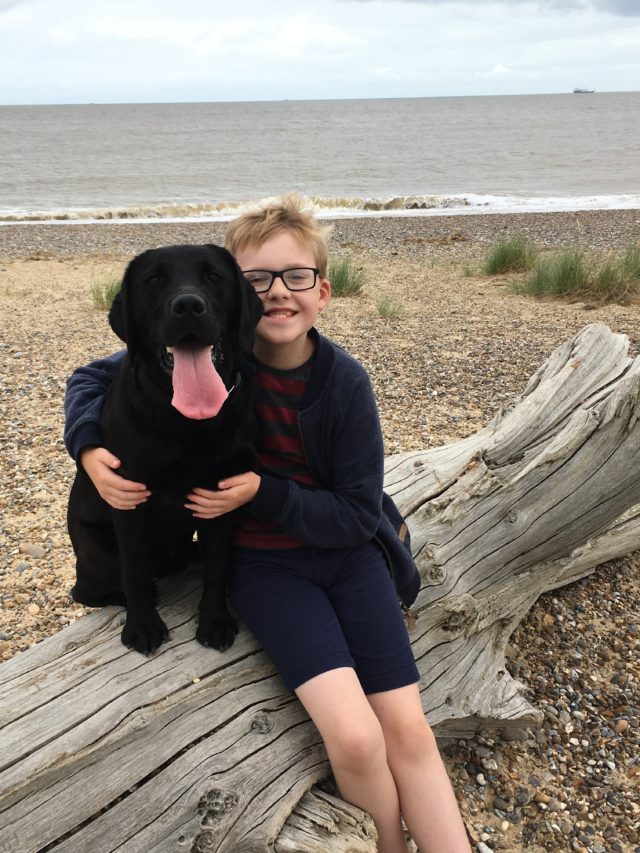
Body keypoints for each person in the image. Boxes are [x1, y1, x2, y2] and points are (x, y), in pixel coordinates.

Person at [64, 194, 471, 853]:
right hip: (266, 565)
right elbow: (93, 375)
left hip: (349, 552)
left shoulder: (345, 385)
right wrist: (86, 444)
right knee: (358, 737)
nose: (279, 293)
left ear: (323, 289)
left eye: (297, 276)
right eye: (258, 279)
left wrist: (261, 489)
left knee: (409, 731)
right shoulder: (214, 354)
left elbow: (358, 512)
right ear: (240, 298)